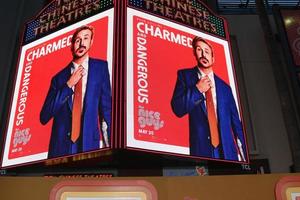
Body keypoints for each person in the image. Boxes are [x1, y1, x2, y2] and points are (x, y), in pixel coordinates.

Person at [40, 25, 111, 158]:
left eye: (86, 38)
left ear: (91, 42)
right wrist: (68, 85)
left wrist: (111, 147)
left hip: (89, 143)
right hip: (60, 148)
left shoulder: (101, 67)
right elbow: (44, 116)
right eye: (77, 40)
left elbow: (106, 109)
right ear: (72, 46)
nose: (82, 43)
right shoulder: (58, 78)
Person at [171, 36, 247, 161]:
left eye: (206, 51)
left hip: (227, 151)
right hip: (201, 149)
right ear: (194, 53)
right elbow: (177, 109)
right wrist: (197, 90)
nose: (203, 55)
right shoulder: (185, 76)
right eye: (199, 50)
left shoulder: (225, 88)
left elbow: (236, 123)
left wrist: (244, 158)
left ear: (213, 58)